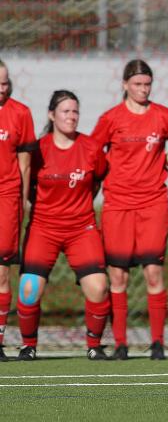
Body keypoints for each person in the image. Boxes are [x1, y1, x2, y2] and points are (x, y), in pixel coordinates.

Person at [91, 60, 168, 360]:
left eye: (147, 84)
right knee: (118, 277)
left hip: (152, 203)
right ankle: (121, 344)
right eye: (137, 84)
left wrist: (158, 162)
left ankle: (157, 343)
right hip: (117, 204)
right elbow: (92, 155)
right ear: (125, 85)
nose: (143, 89)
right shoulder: (110, 119)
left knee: (154, 273)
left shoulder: (164, 116)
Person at [17, 90, 111, 360]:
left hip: (81, 228)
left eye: (75, 111)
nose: (71, 116)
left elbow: (97, 181)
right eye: (65, 111)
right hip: (43, 227)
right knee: (29, 288)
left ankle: (94, 346)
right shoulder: (38, 150)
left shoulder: (91, 147)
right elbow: (27, 186)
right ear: (51, 115)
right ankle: (28, 346)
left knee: (99, 287)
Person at [0, 61, 37, 361]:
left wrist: (23, 202)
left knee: (1, 272)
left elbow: (25, 165)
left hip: (6, 196)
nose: (2, 88)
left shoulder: (20, 113)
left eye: (4, 83)